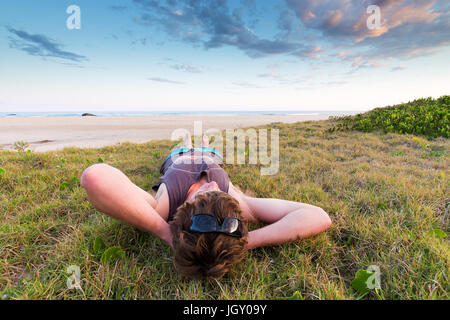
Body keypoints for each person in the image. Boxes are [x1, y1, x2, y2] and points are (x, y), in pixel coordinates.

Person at [80, 132, 331, 279]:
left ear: (184, 210)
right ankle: (198, 140)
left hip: (177, 157)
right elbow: (318, 216)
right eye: (219, 194)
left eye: (204, 195)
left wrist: (163, 232)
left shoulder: (164, 208)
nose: (211, 185)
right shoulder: (240, 205)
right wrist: (245, 241)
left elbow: (95, 178)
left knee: (186, 142)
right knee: (202, 141)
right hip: (210, 156)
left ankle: (190, 141)